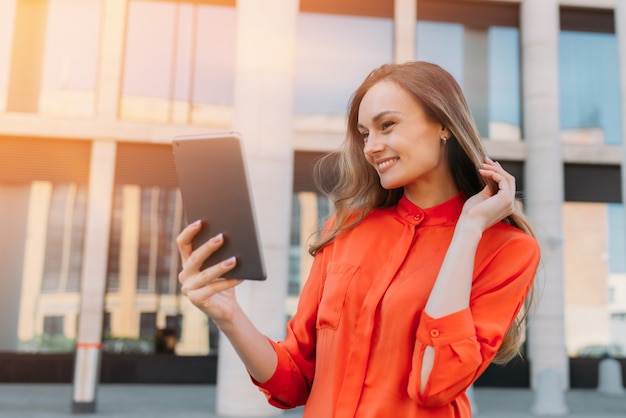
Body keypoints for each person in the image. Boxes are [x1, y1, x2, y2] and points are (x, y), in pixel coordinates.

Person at [176, 61, 541, 418]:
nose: (371, 147)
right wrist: (228, 314)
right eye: (365, 133)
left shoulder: (507, 248)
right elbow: (294, 381)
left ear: (444, 124)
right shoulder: (346, 227)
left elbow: (435, 383)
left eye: (387, 125)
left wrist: (468, 230)